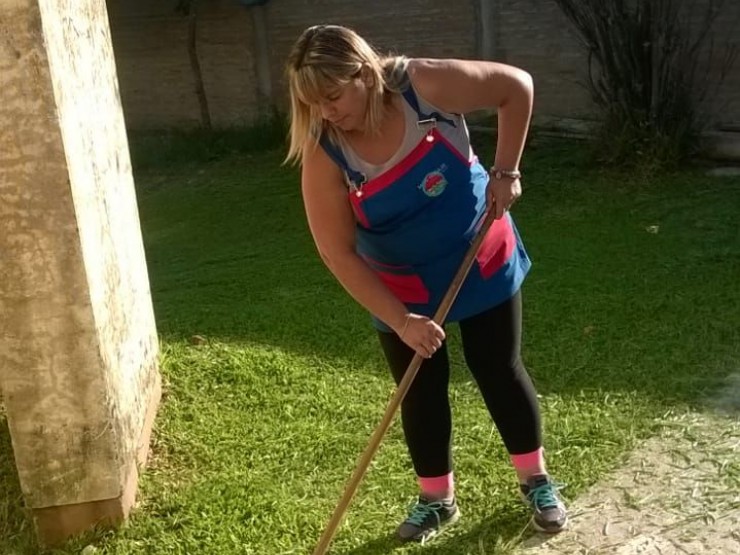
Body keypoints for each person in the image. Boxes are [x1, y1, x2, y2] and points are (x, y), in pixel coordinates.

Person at [284, 24, 567, 544]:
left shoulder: (424, 86)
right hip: (401, 286)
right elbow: (336, 251)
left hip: (479, 254)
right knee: (419, 388)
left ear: (364, 73)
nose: (325, 112)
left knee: (498, 367)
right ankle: (437, 500)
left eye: (333, 96)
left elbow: (516, 87)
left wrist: (506, 172)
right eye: (313, 103)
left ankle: (537, 482)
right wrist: (402, 320)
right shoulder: (325, 151)